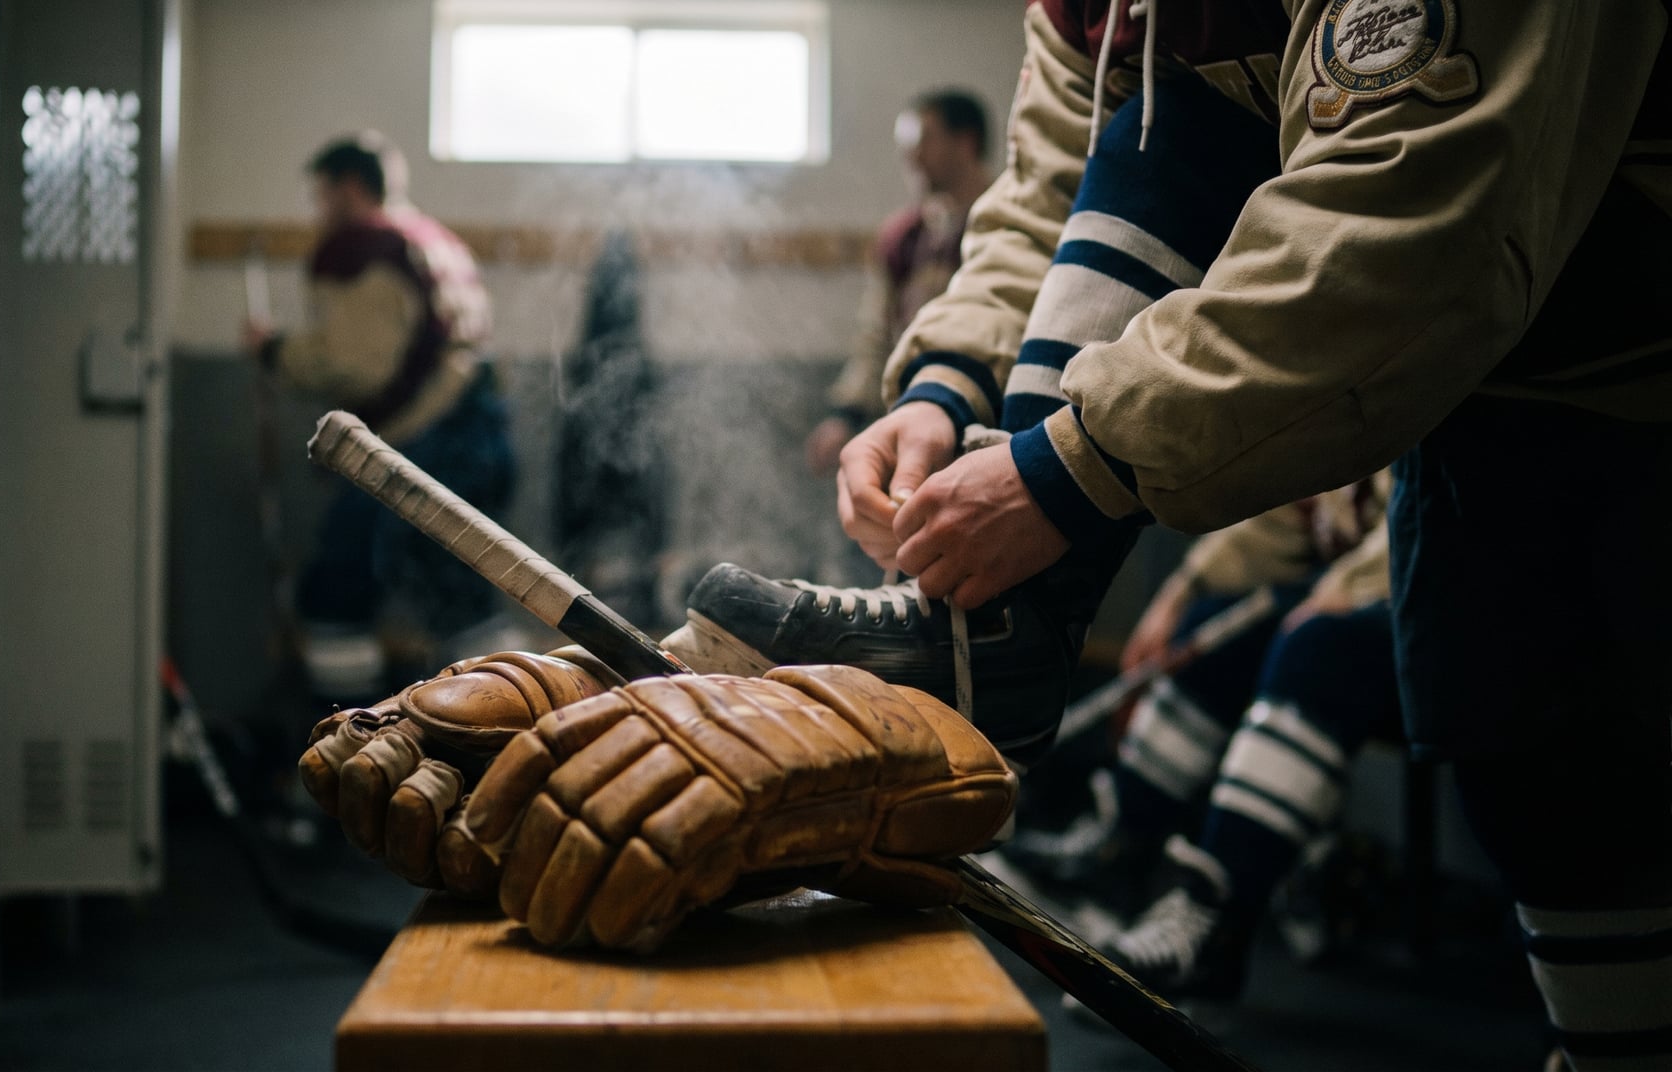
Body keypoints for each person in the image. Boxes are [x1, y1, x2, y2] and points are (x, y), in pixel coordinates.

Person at [686, 5, 1671, 1067]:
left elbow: (1402, 223)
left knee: (1575, 763)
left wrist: (1060, 475)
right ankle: (1002, 639)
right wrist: (946, 382)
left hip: (1625, 357)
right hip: (1480, 380)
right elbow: (1058, 184)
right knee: (1523, 762)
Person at [1001, 473, 1395, 1003]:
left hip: (1471, 629)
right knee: (1213, 626)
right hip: (1376, 595)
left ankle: (1214, 923)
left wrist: (1344, 588)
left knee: (1320, 647)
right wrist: (1185, 588)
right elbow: (1299, 514)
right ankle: (1115, 859)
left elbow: (1437, 521)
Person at [243, 134, 514, 705]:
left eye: (322, 195)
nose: (319, 211)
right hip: (480, 432)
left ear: (348, 187)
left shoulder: (362, 248)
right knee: (459, 595)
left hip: (422, 443)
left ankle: (345, 746)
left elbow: (357, 365)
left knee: (336, 592)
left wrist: (276, 351)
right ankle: (499, 728)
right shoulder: (433, 240)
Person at [804, 89, 994, 476]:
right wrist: (847, 413)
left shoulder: (1009, 227)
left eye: (925, 140)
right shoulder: (904, 237)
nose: (913, 157)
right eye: (907, 144)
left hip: (992, 430)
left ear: (966, 141)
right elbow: (877, 334)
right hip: (910, 421)